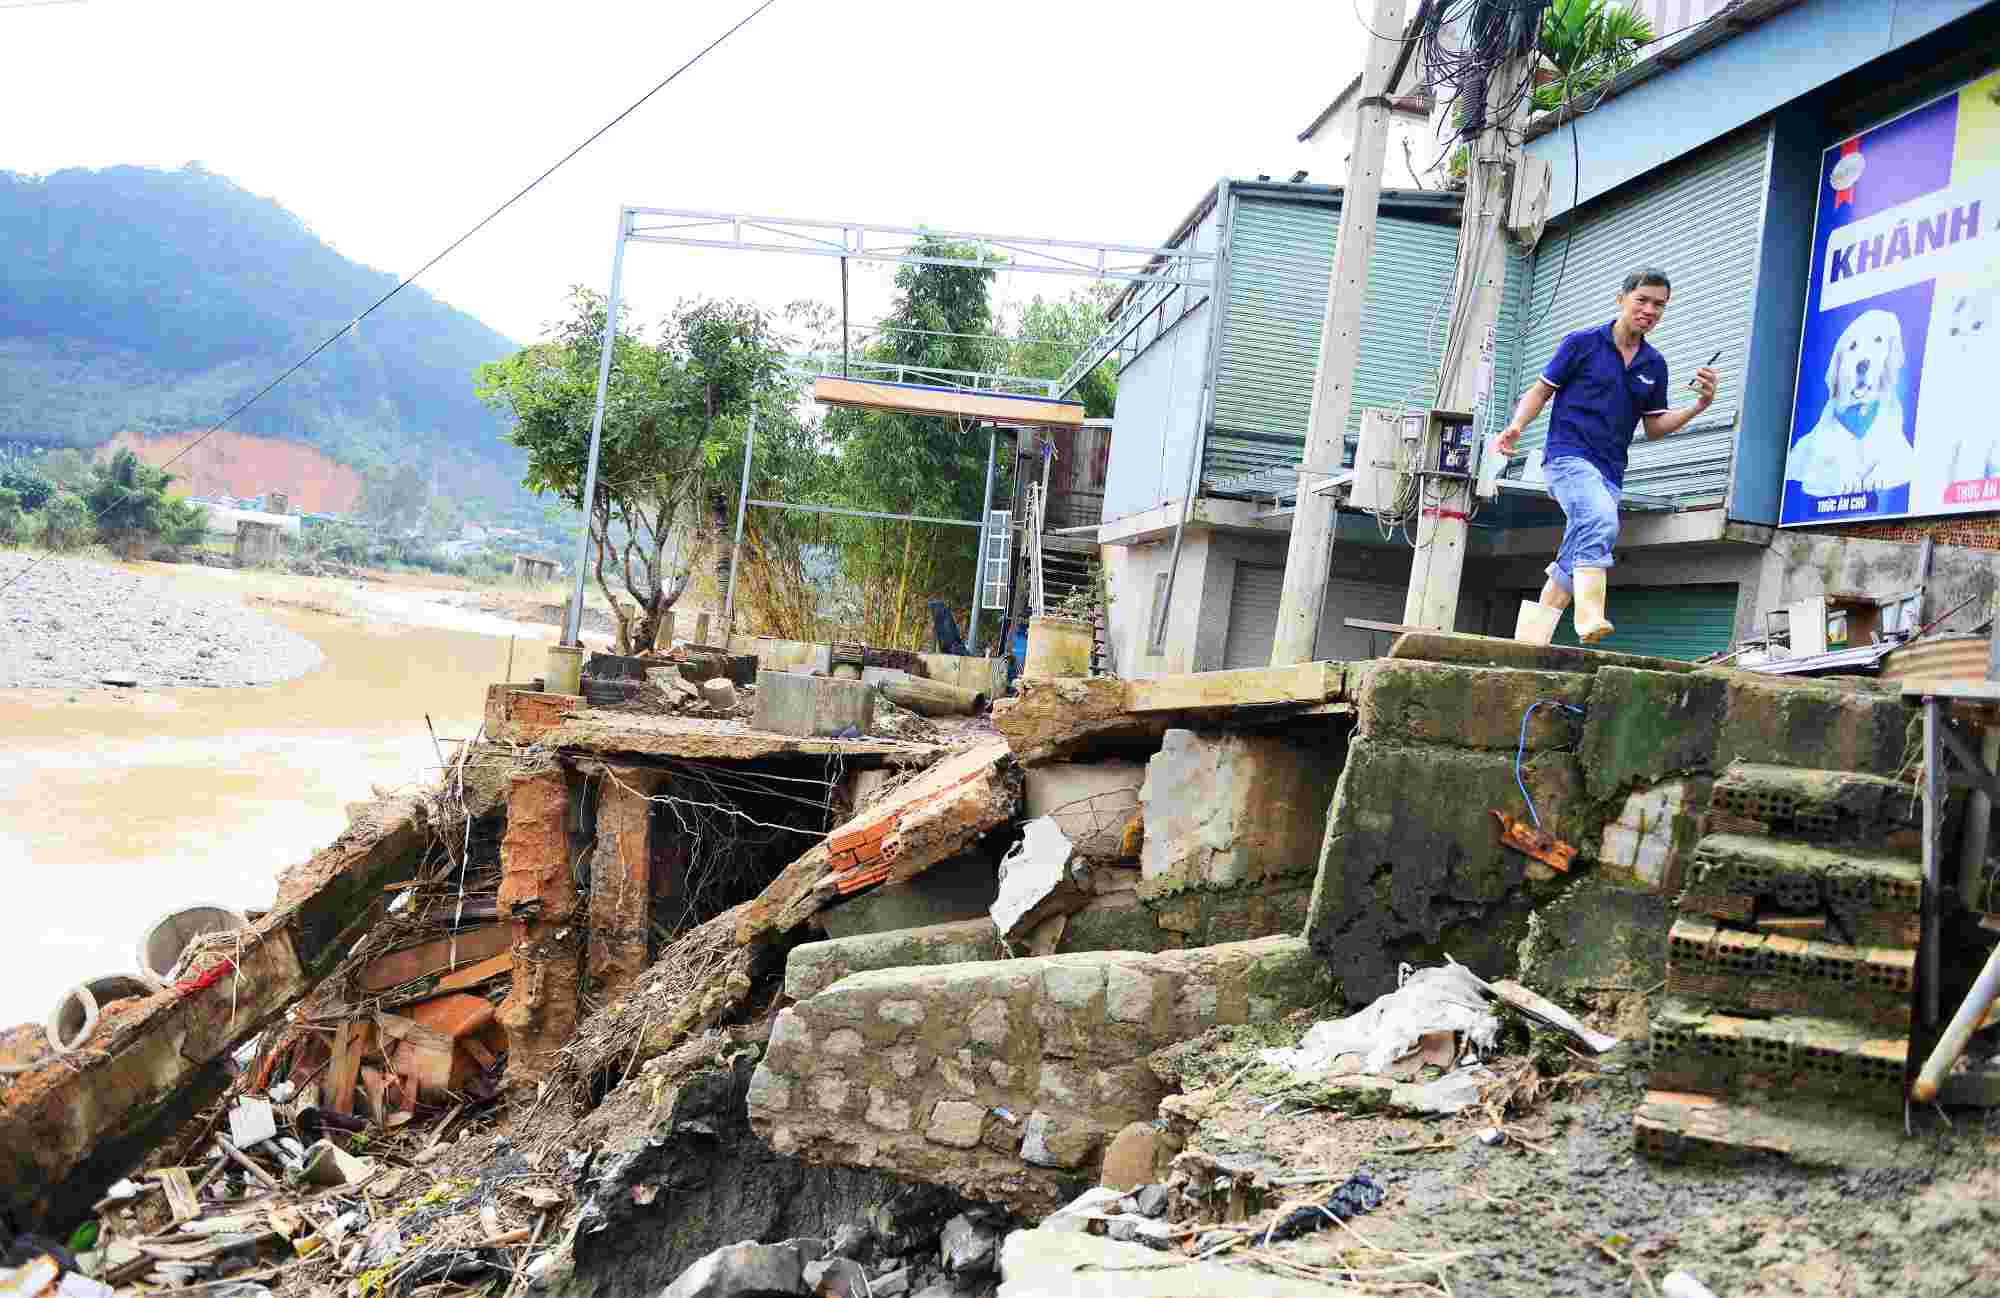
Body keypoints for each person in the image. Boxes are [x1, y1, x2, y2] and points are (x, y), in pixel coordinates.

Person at [1495, 268, 1717, 643]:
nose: (1649, 310)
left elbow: (1655, 426)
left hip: (1610, 471)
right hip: (1567, 457)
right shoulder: (1581, 343)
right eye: (1642, 300)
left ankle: (1528, 645)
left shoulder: (1654, 365)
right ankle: (1590, 615)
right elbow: (1540, 391)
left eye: (1659, 305)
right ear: (1621, 300)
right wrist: (1516, 426)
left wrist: (1699, 405)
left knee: (1574, 556)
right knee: (1601, 520)